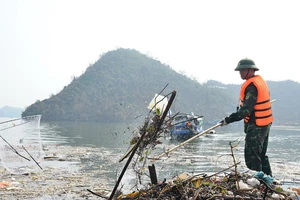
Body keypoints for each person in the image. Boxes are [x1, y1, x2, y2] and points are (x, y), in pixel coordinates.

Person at [220, 58, 274, 177]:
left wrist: (228, 120)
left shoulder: (252, 86)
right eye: (240, 71)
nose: (240, 73)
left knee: (252, 156)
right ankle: (269, 180)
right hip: (265, 123)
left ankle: (258, 181)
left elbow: (245, 111)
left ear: (251, 70)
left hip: (257, 126)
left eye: (243, 70)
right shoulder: (259, 82)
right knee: (261, 154)